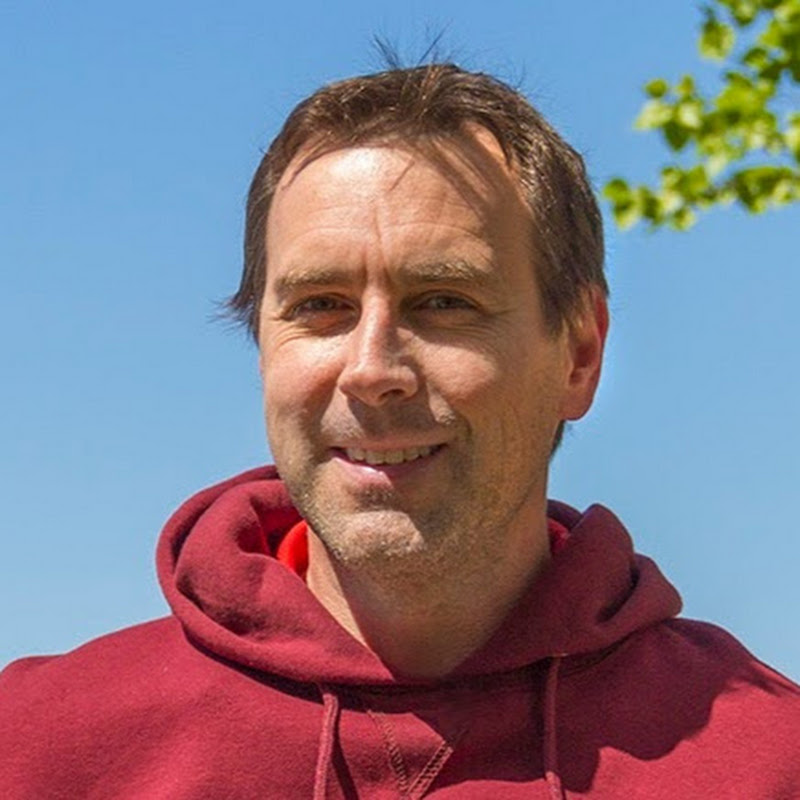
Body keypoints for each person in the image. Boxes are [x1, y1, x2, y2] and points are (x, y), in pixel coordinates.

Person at [1, 63, 798, 799]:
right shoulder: (35, 748)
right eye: (321, 306)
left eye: (444, 302)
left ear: (579, 354)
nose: (371, 368)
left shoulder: (767, 761)